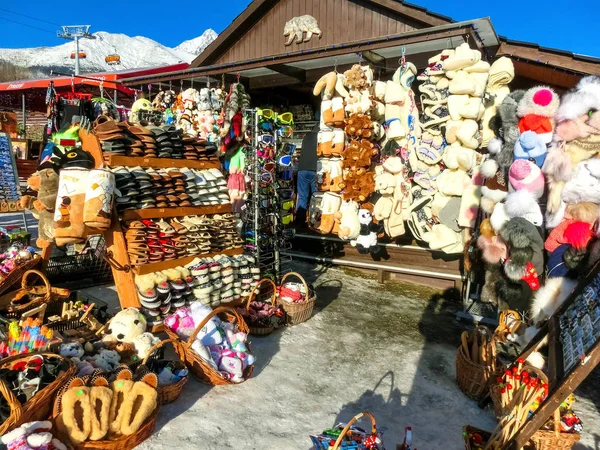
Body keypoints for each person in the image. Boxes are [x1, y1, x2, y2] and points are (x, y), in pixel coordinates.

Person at [296, 122, 320, 228]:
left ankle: (300, 220)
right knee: (316, 196)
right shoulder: (322, 137)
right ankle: (314, 220)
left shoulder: (306, 136)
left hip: (302, 169)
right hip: (315, 169)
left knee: (302, 196)